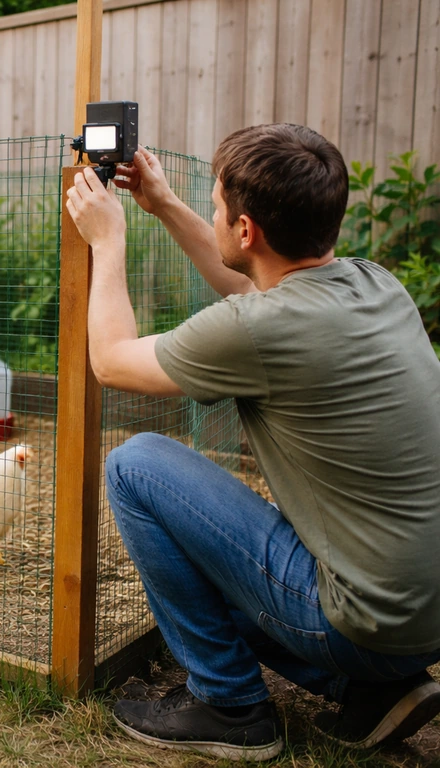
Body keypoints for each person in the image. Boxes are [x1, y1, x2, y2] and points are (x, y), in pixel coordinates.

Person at [64, 123, 440, 762]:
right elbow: (252, 287)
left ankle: (230, 705)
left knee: (137, 467)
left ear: (245, 231)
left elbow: (113, 361)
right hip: (421, 617)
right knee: (208, 559)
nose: (210, 214)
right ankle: (372, 690)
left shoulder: (263, 328)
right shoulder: (374, 283)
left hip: (366, 621)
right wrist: (166, 206)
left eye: (215, 206)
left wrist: (109, 241)